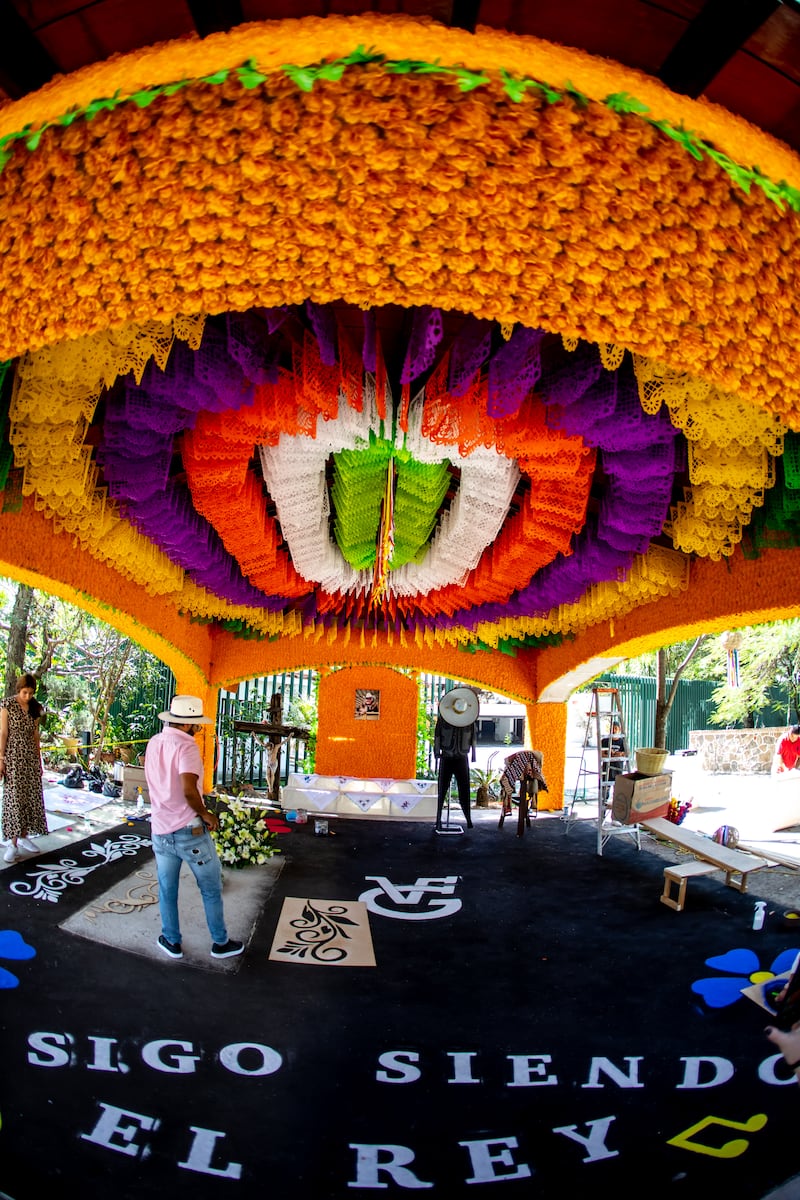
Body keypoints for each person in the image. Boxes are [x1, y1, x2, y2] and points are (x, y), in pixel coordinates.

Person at [144, 694, 243, 961]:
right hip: (190, 831)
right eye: (197, 724)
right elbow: (189, 790)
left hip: (161, 828)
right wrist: (205, 814)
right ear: (188, 725)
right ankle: (220, 943)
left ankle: (171, 940)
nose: (198, 728)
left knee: (167, 889)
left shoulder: (154, 742)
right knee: (210, 888)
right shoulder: (187, 747)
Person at [1, 672, 47, 863]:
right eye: (24, 692)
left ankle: (24, 836)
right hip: (12, 758)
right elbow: (3, 732)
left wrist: (39, 758)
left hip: (29, 759)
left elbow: (36, 735)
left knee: (29, 796)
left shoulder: (35, 708)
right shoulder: (7, 705)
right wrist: (1, 757)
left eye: (30, 693)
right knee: (14, 798)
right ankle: (12, 844)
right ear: (18, 690)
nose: (27, 696)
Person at [433, 694, 477, 829]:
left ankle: (468, 818)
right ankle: (438, 818)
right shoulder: (443, 720)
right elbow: (437, 736)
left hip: (462, 757)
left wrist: (474, 754)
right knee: (442, 790)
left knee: (464, 790)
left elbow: (474, 738)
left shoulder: (469, 721)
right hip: (446, 757)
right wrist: (436, 752)